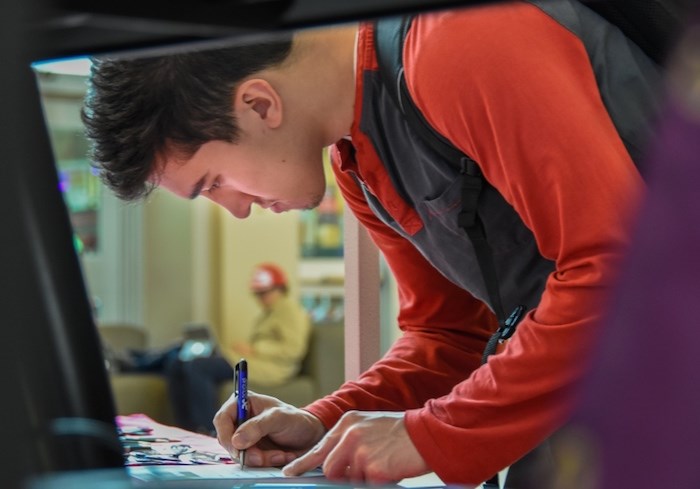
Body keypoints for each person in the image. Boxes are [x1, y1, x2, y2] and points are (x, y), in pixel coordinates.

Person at [81, 1, 650, 484]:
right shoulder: (355, 161)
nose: (236, 209)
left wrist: (431, 435)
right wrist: (326, 424)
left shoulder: (456, 39)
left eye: (214, 183)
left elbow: (622, 273)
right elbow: (451, 336)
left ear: (258, 104)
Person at [164, 263, 311, 434]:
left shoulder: (289, 310)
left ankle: (209, 429)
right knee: (181, 364)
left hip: (271, 368)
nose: (260, 299)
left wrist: (255, 349)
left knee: (199, 367)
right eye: (257, 294)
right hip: (255, 362)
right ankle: (186, 428)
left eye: (264, 293)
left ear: (279, 289)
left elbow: (294, 349)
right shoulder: (270, 313)